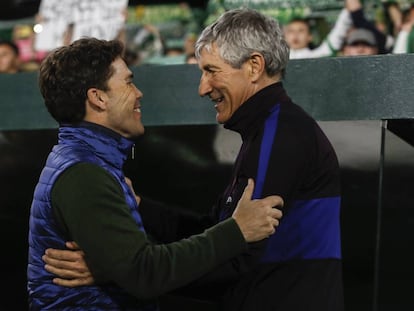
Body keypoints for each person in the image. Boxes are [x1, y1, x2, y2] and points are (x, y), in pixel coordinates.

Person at [43, 8, 343, 311]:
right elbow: (215, 232)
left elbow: (237, 260)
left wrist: (121, 271)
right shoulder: (267, 132)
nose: (202, 88)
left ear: (254, 67)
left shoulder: (281, 137)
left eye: (211, 71)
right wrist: (142, 210)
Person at [27, 37, 284, 310]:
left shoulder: (85, 163)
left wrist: (115, 269)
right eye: (128, 82)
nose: (139, 93)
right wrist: (239, 230)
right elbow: (144, 273)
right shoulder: (83, 173)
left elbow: (135, 268)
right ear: (98, 98)